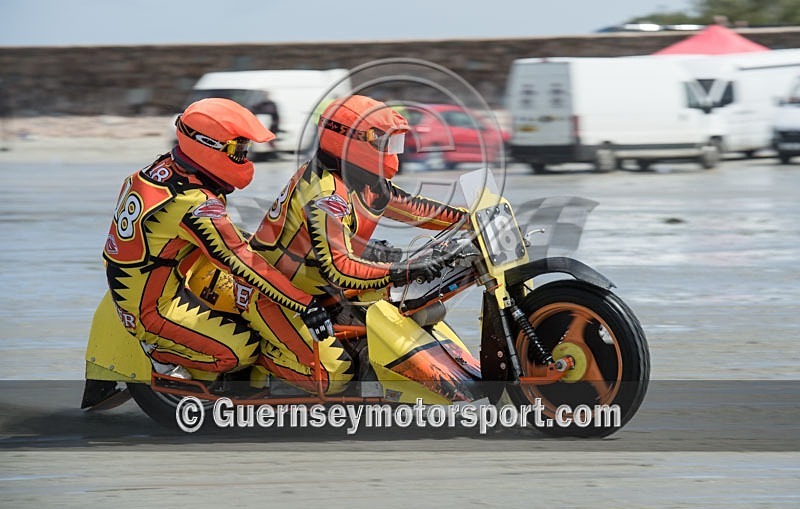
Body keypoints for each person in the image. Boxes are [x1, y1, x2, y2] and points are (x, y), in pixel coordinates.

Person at [248, 94, 468, 392]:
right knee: (335, 375)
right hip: (274, 293)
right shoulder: (325, 194)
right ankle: (258, 360)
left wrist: (472, 219)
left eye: (394, 144)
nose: (392, 153)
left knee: (397, 308)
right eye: (384, 143)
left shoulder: (362, 181)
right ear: (351, 140)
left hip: (318, 290)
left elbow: (418, 210)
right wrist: (403, 270)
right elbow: (339, 269)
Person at [103, 98, 332, 381]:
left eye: (245, 149)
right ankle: (158, 355)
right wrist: (305, 305)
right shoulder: (192, 202)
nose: (244, 158)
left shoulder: (168, 167)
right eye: (237, 150)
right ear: (206, 145)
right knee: (240, 351)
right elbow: (240, 261)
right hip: (152, 308)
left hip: (168, 268)